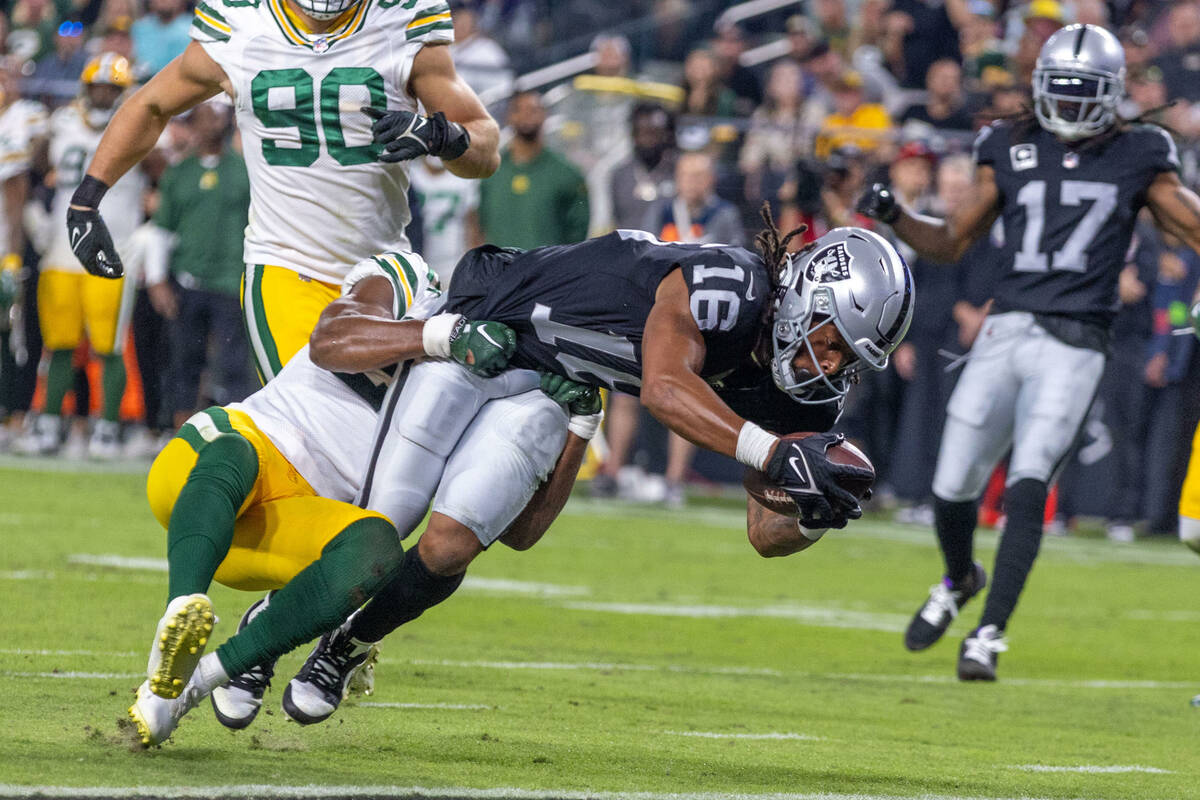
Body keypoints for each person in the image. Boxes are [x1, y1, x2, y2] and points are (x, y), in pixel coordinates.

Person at [269, 215, 914, 725]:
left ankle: (346, 646)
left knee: (449, 544)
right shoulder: (732, 286)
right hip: (487, 329)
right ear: (807, 296)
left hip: (557, 384)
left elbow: (761, 532)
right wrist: (776, 454)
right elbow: (665, 386)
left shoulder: (806, 390)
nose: (830, 367)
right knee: (390, 513)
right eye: (830, 340)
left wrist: (810, 510)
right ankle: (270, 629)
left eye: (849, 358)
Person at [124, 249, 596, 745]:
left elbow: (515, 532)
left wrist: (581, 427)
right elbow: (330, 341)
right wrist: (443, 338)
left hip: (302, 525)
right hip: (231, 462)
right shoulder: (411, 281)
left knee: (377, 551)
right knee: (233, 455)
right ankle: (178, 616)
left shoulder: (520, 377)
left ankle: (200, 680)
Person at [856, 24, 1200, 681]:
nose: (1069, 107)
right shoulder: (1008, 143)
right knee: (951, 481)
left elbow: (1192, 225)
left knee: (1029, 479)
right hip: (1006, 327)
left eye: (1083, 94)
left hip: (1078, 340)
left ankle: (989, 633)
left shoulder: (1140, 152)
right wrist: (897, 217)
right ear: (1040, 88)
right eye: (1061, 92)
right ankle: (959, 578)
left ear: (1111, 94)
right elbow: (954, 239)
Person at [66, 0, 500, 383]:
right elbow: (150, 104)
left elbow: (485, 150)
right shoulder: (240, 22)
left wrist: (445, 137)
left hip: (385, 269)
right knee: (309, 429)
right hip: (284, 265)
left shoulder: (401, 18)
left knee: (385, 441)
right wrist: (86, 198)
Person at [18, 53, 144, 459]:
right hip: (60, 250)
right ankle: (51, 423)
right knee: (58, 344)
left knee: (108, 346)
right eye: (99, 87)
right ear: (86, 88)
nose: (105, 95)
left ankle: (107, 428)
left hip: (113, 248)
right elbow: (37, 167)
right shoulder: (63, 123)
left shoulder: (139, 123)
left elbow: (161, 168)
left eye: (112, 88)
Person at [146, 100, 254, 429]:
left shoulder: (245, 171)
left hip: (231, 280)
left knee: (233, 364)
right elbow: (162, 229)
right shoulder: (180, 172)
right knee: (183, 362)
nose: (211, 124)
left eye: (218, 116)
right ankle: (181, 434)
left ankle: (234, 436)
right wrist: (156, 280)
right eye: (205, 116)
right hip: (188, 279)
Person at [474, 91, 589, 249]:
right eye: (518, 110)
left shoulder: (567, 173)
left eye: (533, 110)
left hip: (547, 271)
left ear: (545, 115)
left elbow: (578, 234)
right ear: (508, 117)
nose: (525, 115)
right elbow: (477, 224)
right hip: (499, 271)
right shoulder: (491, 171)